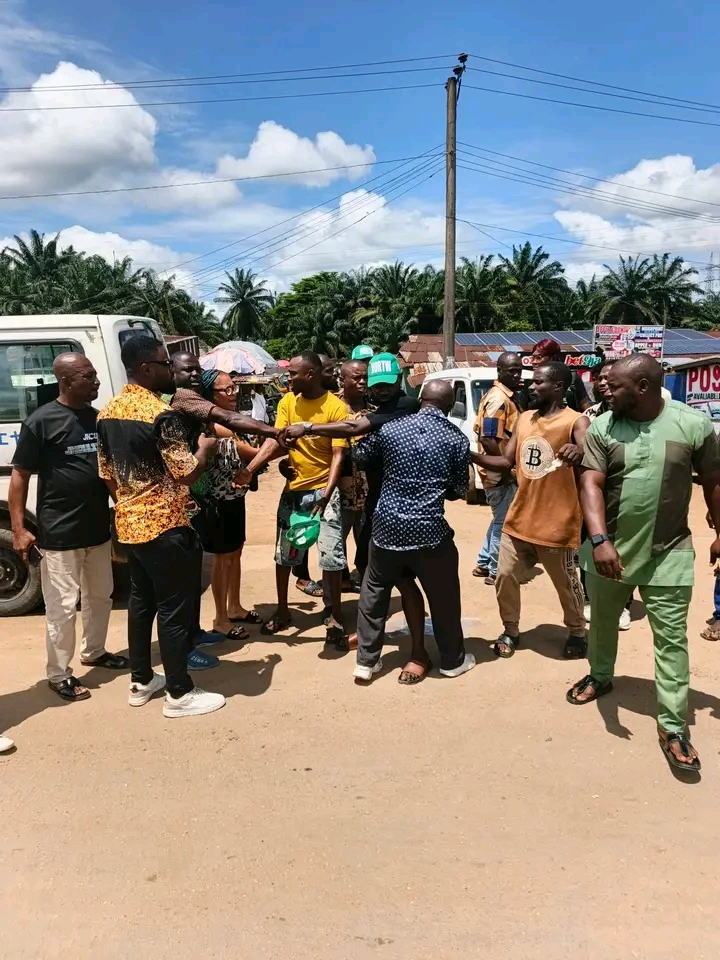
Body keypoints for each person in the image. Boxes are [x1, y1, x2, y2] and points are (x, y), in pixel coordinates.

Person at [567, 354, 720, 774]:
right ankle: (600, 675)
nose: (605, 390)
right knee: (602, 622)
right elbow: (590, 482)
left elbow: (713, 480)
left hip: (669, 551)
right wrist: (600, 540)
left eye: (614, 385)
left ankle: (672, 727)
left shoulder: (692, 425)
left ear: (643, 387)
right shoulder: (602, 427)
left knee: (671, 639)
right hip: (609, 553)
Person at [97, 336, 225, 718]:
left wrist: (130, 504)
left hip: (130, 525)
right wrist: (205, 449)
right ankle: (179, 693)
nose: (171, 370)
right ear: (146, 369)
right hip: (167, 526)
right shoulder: (161, 414)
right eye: (165, 364)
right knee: (174, 610)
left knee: (141, 605)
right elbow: (186, 473)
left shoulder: (106, 412)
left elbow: (107, 474)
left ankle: (141, 681)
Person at [280, 354, 428, 680]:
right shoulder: (354, 406)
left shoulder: (403, 406)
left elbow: (354, 430)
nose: (376, 388)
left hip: (394, 505)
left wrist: (308, 428)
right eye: (372, 383)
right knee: (365, 569)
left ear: (399, 381)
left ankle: (418, 649)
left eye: (383, 382)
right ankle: (367, 637)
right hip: (368, 501)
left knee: (400, 577)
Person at [9, 352, 128, 703]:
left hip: (97, 529)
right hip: (60, 532)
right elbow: (20, 476)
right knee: (62, 606)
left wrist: (124, 507)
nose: (96, 381)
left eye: (94, 375)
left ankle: (95, 651)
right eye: (87, 376)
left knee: (100, 595)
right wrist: (19, 529)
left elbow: (107, 472)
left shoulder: (97, 418)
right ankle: (59, 673)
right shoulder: (41, 421)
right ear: (65, 381)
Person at [352, 380, 476, 682]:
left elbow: (360, 455)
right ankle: (452, 661)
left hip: (387, 528)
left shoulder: (391, 429)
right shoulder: (456, 439)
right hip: (428, 532)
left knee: (373, 592)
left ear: (420, 399)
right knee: (444, 597)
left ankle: (366, 663)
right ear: (450, 407)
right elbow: (458, 490)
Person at [473, 361, 589, 660]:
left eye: (539, 382)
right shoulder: (525, 419)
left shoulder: (575, 422)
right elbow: (505, 461)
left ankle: (577, 631)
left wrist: (581, 451)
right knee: (504, 575)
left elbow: (593, 457)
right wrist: (469, 454)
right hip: (519, 519)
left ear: (558, 387)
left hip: (556, 524)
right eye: (532, 381)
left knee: (566, 584)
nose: (531, 386)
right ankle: (510, 630)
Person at [238, 351, 349, 644]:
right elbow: (278, 442)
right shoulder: (288, 402)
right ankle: (283, 611)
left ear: (310, 375)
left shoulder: (335, 407)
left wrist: (326, 495)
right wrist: (250, 469)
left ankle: (334, 614)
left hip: (324, 491)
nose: (288, 379)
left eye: (292, 374)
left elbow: (338, 455)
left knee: (331, 557)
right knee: (284, 554)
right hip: (294, 491)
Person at [196, 370, 261, 639]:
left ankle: (234, 607)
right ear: (211, 395)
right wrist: (277, 443)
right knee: (223, 559)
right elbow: (252, 451)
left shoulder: (232, 421)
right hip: (217, 500)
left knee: (236, 552)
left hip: (234, 497)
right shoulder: (216, 425)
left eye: (234, 388)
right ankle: (220, 618)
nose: (233, 394)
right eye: (227, 390)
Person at [581, 360, 633, 632]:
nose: (603, 383)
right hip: (593, 494)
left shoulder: (634, 415)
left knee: (626, 550)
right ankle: (590, 598)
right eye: (600, 378)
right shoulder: (589, 415)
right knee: (591, 546)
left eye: (609, 378)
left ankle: (624, 604)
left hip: (623, 496)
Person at [473, 352, 523, 585]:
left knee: (499, 519)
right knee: (504, 523)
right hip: (499, 474)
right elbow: (488, 438)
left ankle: (484, 562)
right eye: (511, 371)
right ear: (499, 371)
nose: (516, 375)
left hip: (500, 470)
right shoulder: (499, 399)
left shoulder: (505, 396)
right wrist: (506, 468)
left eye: (519, 370)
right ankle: (496, 569)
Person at [169, 352, 279, 441]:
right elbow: (228, 417)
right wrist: (274, 432)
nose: (195, 374)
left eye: (198, 370)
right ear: (171, 370)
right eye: (188, 369)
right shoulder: (183, 395)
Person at [528, 338, 590, 413]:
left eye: (538, 358)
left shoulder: (571, 377)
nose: (534, 362)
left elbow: (584, 404)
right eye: (532, 358)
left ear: (553, 357)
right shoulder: (528, 379)